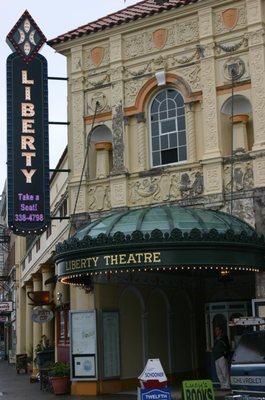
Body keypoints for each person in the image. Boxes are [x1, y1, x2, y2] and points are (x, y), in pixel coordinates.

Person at [212, 326, 231, 390]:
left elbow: (227, 347)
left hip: (221, 356)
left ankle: (227, 385)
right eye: (215, 330)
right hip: (216, 357)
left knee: (224, 372)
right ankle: (222, 386)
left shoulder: (224, 338)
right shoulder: (216, 339)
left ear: (220, 330)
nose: (216, 331)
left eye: (217, 330)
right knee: (219, 373)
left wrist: (225, 354)